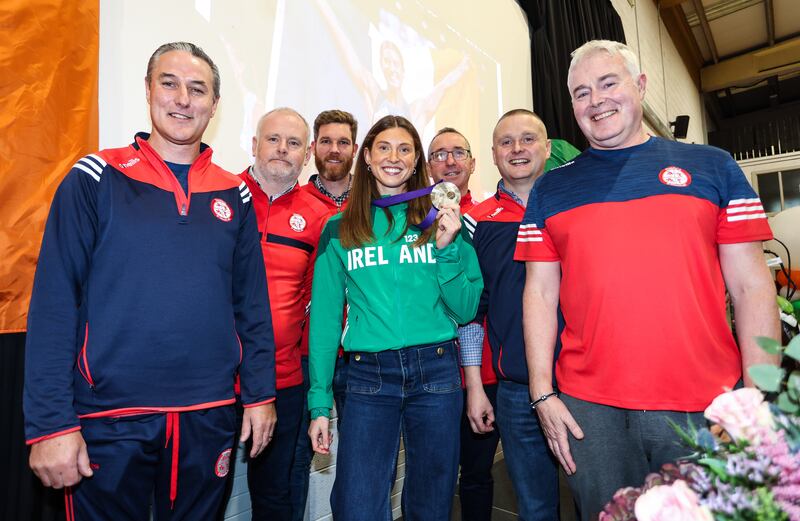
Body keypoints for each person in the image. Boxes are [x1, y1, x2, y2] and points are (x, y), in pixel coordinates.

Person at [514, 40, 780, 519]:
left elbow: (752, 286)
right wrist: (541, 393)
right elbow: (538, 292)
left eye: (608, 83)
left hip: (703, 404)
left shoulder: (713, 167)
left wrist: (757, 395)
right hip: (589, 415)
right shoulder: (550, 190)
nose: (595, 100)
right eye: (580, 93)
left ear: (640, 85)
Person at [23, 42, 276, 520]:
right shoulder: (96, 176)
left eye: (197, 89)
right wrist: (51, 424)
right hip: (110, 418)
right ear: (147, 90)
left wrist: (260, 394)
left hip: (210, 412)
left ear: (214, 105)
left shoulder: (234, 192)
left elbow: (251, 306)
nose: (183, 99)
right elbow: (55, 302)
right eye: (170, 83)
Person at [307, 115, 483, 520]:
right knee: (357, 505)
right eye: (383, 147)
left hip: (437, 371)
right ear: (365, 157)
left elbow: (466, 309)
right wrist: (319, 402)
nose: (394, 157)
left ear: (416, 160)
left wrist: (446, 248)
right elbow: (325, 321)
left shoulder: (442, 219)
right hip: (369, 375)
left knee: (431, 503)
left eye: (405, 149)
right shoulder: (339, 228)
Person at [462, 110, 576, 521]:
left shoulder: (575, 206)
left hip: (585, 384)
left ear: (547, 148)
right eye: (506, 142)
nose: (517, 149)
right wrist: (475, 385)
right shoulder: (475, 222)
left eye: (528, 139)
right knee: (535, 508)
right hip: (516, 392)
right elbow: (471, 316)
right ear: (493, 154)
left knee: (601, 503)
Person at [240, 108, 330, 520]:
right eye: (273, 139)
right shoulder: (222, 196)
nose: (282, 149)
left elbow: (318, 304)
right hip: (216, 381)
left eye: (293, 143)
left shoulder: (321, 217)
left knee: (274, 495)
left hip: (284, 382)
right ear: (254, 144)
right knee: (198, 493)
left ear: (307, 154)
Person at [427, 127, 500, 521]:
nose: (450, 161)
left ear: (473, 162)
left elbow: (479, 304)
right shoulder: (411, 221)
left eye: (458, 153)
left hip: (481, 371)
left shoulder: (488, 219)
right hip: (426, 371)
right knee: (431, 476)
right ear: (427, 166)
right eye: (440, 154)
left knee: (475, 473)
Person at [290, 109, 359, 521]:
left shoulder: (373, 203)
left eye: (344, 142)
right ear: (314, 147)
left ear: (356, 149)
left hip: (360, 353)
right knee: (297, 457)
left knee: (365, 457)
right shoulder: (296, 201)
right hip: (308, 352)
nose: (335, 150)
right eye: (327, 141)